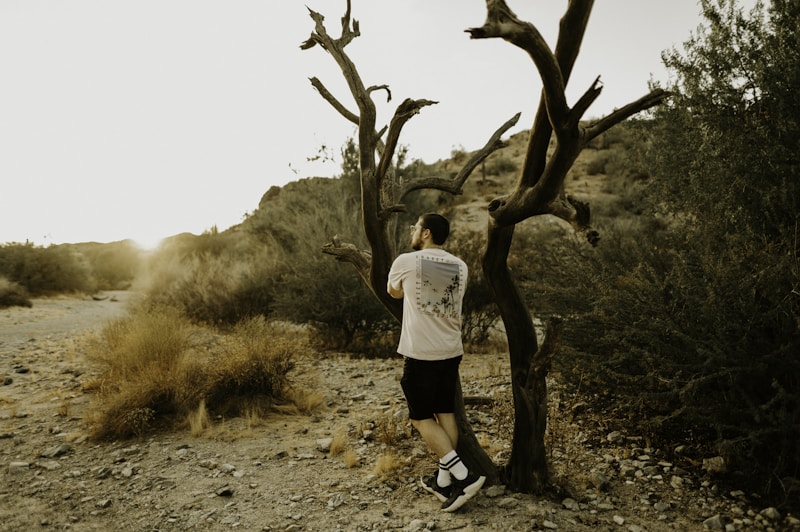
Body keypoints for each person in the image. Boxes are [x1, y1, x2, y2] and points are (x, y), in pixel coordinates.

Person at [387, 213, 486, 512]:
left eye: (415, 227)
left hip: (421, 354)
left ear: (426, 232)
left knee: (420, 418)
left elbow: (393, 292)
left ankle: (464, 477)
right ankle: (443, 482)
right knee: (445, 413)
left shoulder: (406, 261)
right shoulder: (461, 266)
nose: (413, 231)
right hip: (450, 351)